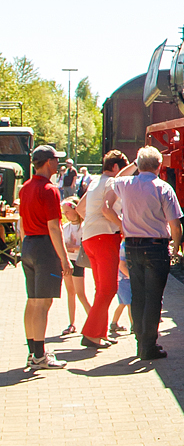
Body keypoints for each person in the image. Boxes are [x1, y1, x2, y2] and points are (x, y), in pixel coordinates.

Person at [105, 147, 182, 361]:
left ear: (138, 166)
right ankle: (148, 345)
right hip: (156, 247)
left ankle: (140, 341)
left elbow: (117, 177)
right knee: (154, 297)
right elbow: (175, 225)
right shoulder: (163, 188)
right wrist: (176, 248)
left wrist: (134, 165)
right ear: (160, 166)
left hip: (132, 247)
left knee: (138, 295)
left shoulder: (125, 184)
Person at [17, 145, 74, 370]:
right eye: (55, 160)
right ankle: (40, 356)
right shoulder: (50, 189)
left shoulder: (25, 187)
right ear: (48, 162)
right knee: (43, 303)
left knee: (32, 300)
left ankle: (33, 351)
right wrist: (64, 258)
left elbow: (21, 223)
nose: (58, 164)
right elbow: (54, 227)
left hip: (29, 245)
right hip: (44, 248)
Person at [77, 150, 129, 348]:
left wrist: (92, 223)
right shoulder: (110, 182)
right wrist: (121, 226)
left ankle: (100, 332)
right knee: (108, 288)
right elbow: (106, 210)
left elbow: (80, 209)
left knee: (102, 289)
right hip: (105, 237)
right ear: (116, 167)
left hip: (90, 237)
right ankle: (91, 334)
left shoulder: (94, 182)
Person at [59, 198, 93, 333]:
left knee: (80, 293)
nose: (65, 215)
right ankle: (71, 323)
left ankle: (93, 320)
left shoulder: (84, 226)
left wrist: (73, 247)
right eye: (64, 212)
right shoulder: (65, 227)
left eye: (67, 211)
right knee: (70, 292)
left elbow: (84, 246)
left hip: (78, 262)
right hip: (67, 261)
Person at [108, 244, 132, 338]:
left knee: (123, 303)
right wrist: (132, 278)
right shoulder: (124, 247)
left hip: (121, 279)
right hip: (124, 280)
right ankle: (133, 325)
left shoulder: (123, 246)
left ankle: (114, 323)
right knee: (130, 303)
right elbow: (122, 265)